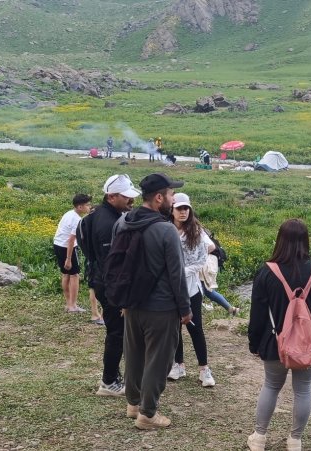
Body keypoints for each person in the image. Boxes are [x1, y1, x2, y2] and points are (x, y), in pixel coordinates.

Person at [247, 219, 311, 451]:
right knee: (303, 390)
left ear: (280, 239)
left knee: (271, 386)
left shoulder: (267, 272)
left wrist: (254, 343)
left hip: (274, 342)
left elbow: (257, 314)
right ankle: (295, 440)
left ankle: (259, 438)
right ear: (306, 241)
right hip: (309, 342)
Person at [119, 173, 191, 430]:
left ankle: (133, 404)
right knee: (158, 361)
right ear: (159, 198)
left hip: (131, 304)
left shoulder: (125, 222)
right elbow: (176, 274)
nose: (174, 199)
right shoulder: (166, 230)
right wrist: (185, 308)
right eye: (171, 194)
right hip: (161, 307)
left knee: (134, 355)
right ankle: (147, 414)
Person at [77, 174, 140, 396]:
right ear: (111, 196)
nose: (131, 200)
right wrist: (121, 295)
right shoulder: (108, 223)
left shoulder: (99, 215)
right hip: (110, 285)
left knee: (117, 331)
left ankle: (112, 376)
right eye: (126, 197)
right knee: (117, 333)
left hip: (101, 280)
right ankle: (109, 381)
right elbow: (112, 264)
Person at [168, 193, 215, 387]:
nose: (183, 212)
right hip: (170, 288)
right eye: (179, 208)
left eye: (186, 208)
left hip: (191, 288)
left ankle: (204, 369)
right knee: (174, 328)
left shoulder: (195, 230)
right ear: (172, 210)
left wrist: (182, 270)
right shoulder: (167, 228)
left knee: (195, 328)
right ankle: (178, 364)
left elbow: (208, 250)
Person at [53, 194, 91, 313]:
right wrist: (69, 258)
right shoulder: (77, 219)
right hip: (67, 247)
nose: (89, 207)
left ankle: (68, 303)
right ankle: (73, 306)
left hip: (58, 244)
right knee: (74, 275)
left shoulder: (68, 213)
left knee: (66, 274)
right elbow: (71, 240)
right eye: (87, 205)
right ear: (80, 207)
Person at [200, 231, 239, 315]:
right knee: (208, 291)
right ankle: (231, 309)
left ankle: (196, 312)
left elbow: (211, 247)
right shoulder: (201, 230)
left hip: (207, 263)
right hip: (211, 263)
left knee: (203, 290)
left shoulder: (195, 230)